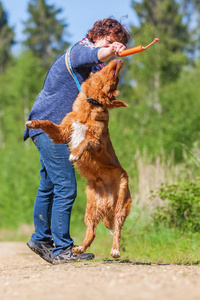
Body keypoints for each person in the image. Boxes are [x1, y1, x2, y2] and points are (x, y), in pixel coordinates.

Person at [23, 17, 130, 264]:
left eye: (117, 42)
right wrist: (110, 50)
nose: (112, 46)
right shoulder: (79, 52)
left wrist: (115, 58)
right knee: (65, 186)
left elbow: (104, 75)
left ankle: (41, 239)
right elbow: (97, 55)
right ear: (97, 36)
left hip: (49, 125)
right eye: (110, 40)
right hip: (52, 125)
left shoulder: (90, 64)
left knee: (49, 185)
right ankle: (62, 249)